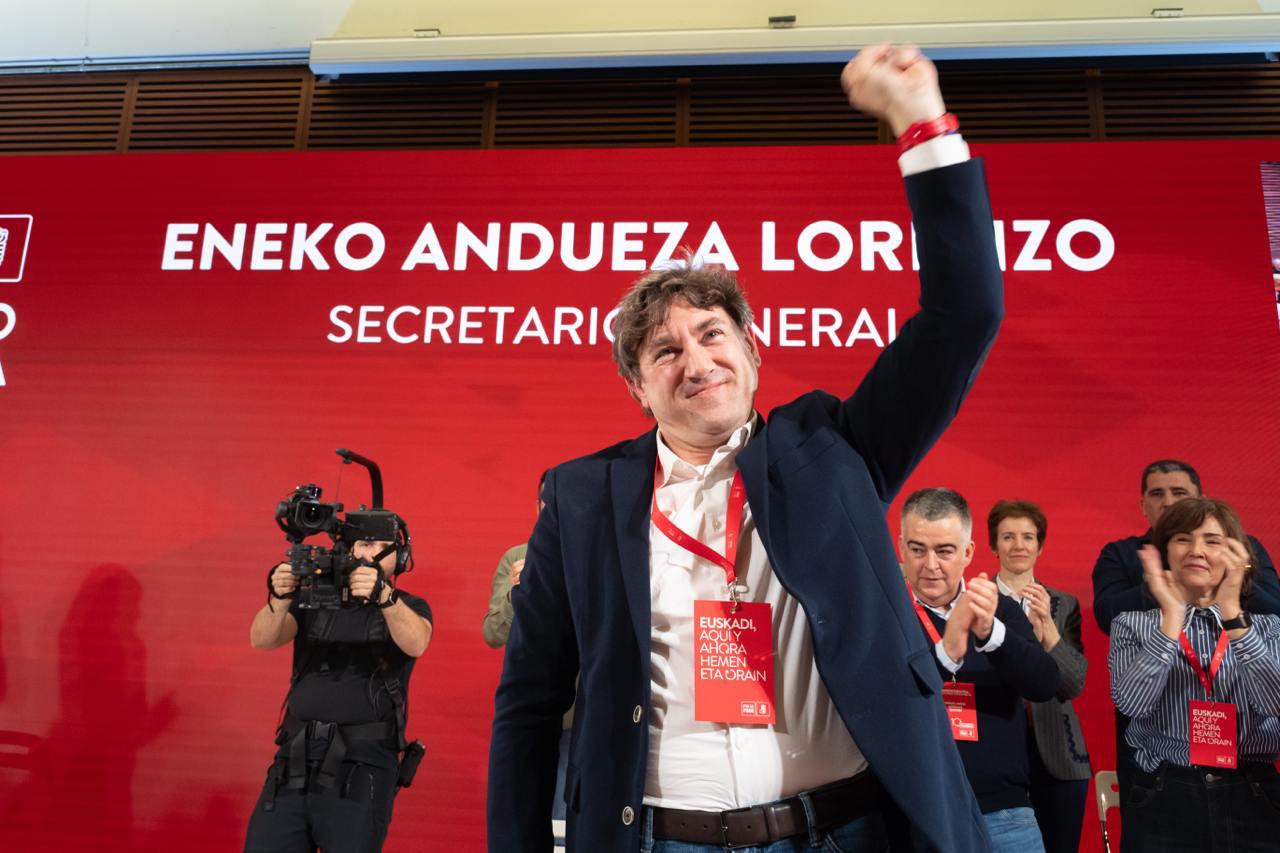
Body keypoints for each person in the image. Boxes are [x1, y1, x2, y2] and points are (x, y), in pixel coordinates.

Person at [488, 43, 1004, 853]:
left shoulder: (835, 446)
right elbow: (528, 701)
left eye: (711, 334)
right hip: (662, 839)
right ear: (638, 387)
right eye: (663, 351)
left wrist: (922, 125)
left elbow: (963, 313)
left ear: (753, 353)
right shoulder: (583, 496)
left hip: (848, 831)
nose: (694, 360)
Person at [1092, 459, 1280, 800]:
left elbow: (1274, 608)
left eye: (1179, 493)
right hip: (1163, 776)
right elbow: (1107, 614)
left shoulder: (1264, 614)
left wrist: (1231, 597)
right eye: (1158, 494)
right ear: (1143, 505)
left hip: (1252, 781)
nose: (1169, 502)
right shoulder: (1122, 561)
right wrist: (1168, 597)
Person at [243, 520, 433, 853]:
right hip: (295, 760)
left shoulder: (409, 606)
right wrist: (282, 597)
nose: (367, 551)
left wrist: (383, 597)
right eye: (361, 544)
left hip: (362, 766)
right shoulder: (313, 601)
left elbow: (416, 642)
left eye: (377, 544)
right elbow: (262, 638)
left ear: (399, 556)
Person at [900, 489, 1058, 852]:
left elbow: (1044, 683)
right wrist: (947, 653)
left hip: (1005, 814)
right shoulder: (884, 614)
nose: (931, 565)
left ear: (968, 552)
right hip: (916, 814)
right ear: (900, 547)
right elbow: (883, 704)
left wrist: (991, 634)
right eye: (917, 549)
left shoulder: (999, 610)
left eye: (944, 550)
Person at [987, 499, 1090, 853]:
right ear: (992, 545)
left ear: (1040, 546)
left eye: (1028, 537)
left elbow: (1072, 683)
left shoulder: (1064, 605)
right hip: (994, 752)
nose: (1018, 546)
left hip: (1058, 755)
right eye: (1008, 537)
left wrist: (1048, 630)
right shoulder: (974, 600)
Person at [481, 470, 572, 831]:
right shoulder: (517, 556)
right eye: (547, 504)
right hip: (534, 709)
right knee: (530, 823)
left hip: (589, 713)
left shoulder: (600, 554)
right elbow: (493, 632)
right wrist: (516, 590)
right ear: (537, 508)